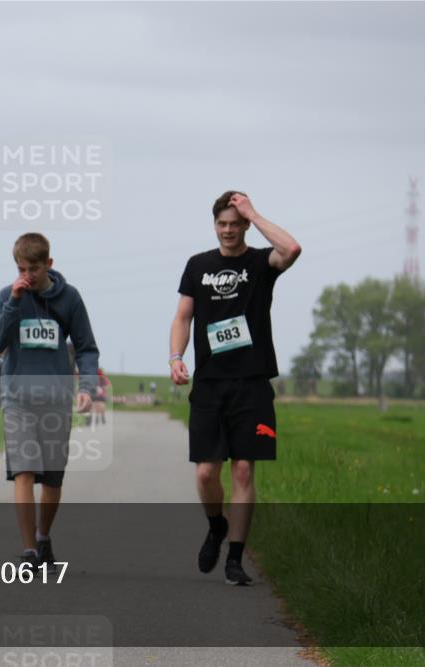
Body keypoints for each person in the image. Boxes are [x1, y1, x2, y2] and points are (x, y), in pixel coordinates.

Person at [168, 191, 300, 585]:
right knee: (207, 473)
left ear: (244, 226)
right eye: (222, 224)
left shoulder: (260, 263)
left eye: (234, 223)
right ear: (215, 226)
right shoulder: (198, 265)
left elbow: (291, 248)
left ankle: (235, 560)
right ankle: (216, 525)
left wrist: (254, 212)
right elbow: (182, 316)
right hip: (210, 384)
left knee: (244, 470)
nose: (228, 230)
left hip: (252, 383)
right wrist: (176, 357)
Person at [0, 233, 99, 571]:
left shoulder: (69, 299)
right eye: (21, 268)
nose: (27, 275)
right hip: (17, 398)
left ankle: (43, 536)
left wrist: (87, 388)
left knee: (52, 479)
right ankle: (29, 552)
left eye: (33, 268)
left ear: (49, 264)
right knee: (23, 470)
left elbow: (86, 347)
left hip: (57, 400)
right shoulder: (8, 296)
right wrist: (12, 303)